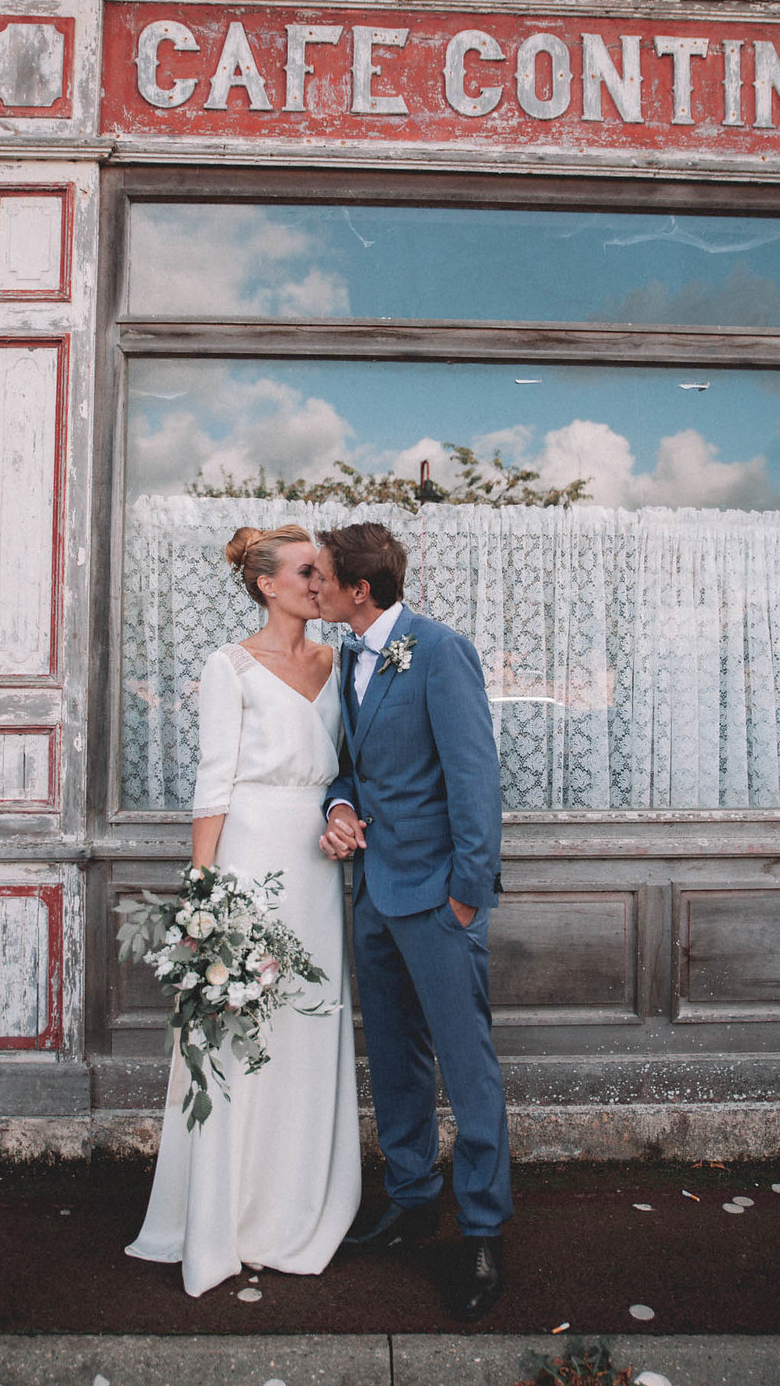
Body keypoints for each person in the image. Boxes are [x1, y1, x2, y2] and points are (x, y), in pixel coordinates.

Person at [126, 524, 361, 1297]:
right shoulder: (228, 665)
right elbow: (213, 783)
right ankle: (224, 1218)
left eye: (323, 573)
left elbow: (353, 768)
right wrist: (202, 894)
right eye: (306, 572)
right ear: (267, 584)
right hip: (249, 858)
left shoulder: (341, 661)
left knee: (306, 1023)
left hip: (318, 868)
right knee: (237, 1030)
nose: (320, 584)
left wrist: (343, 813)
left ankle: (294, 1209)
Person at [312, 521, 512, 1322]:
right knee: (394, 1058)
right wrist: (338, 803)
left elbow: (475, 776)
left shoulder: (437, 649)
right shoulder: (354, 658)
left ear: (359, 589)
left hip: (436, 899)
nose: (314, 585)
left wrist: (466, 895)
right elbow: (354, 768)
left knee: (468, 1069)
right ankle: (410, 1195)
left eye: (323, 575)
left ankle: (484, 1229)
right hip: (373, 896)